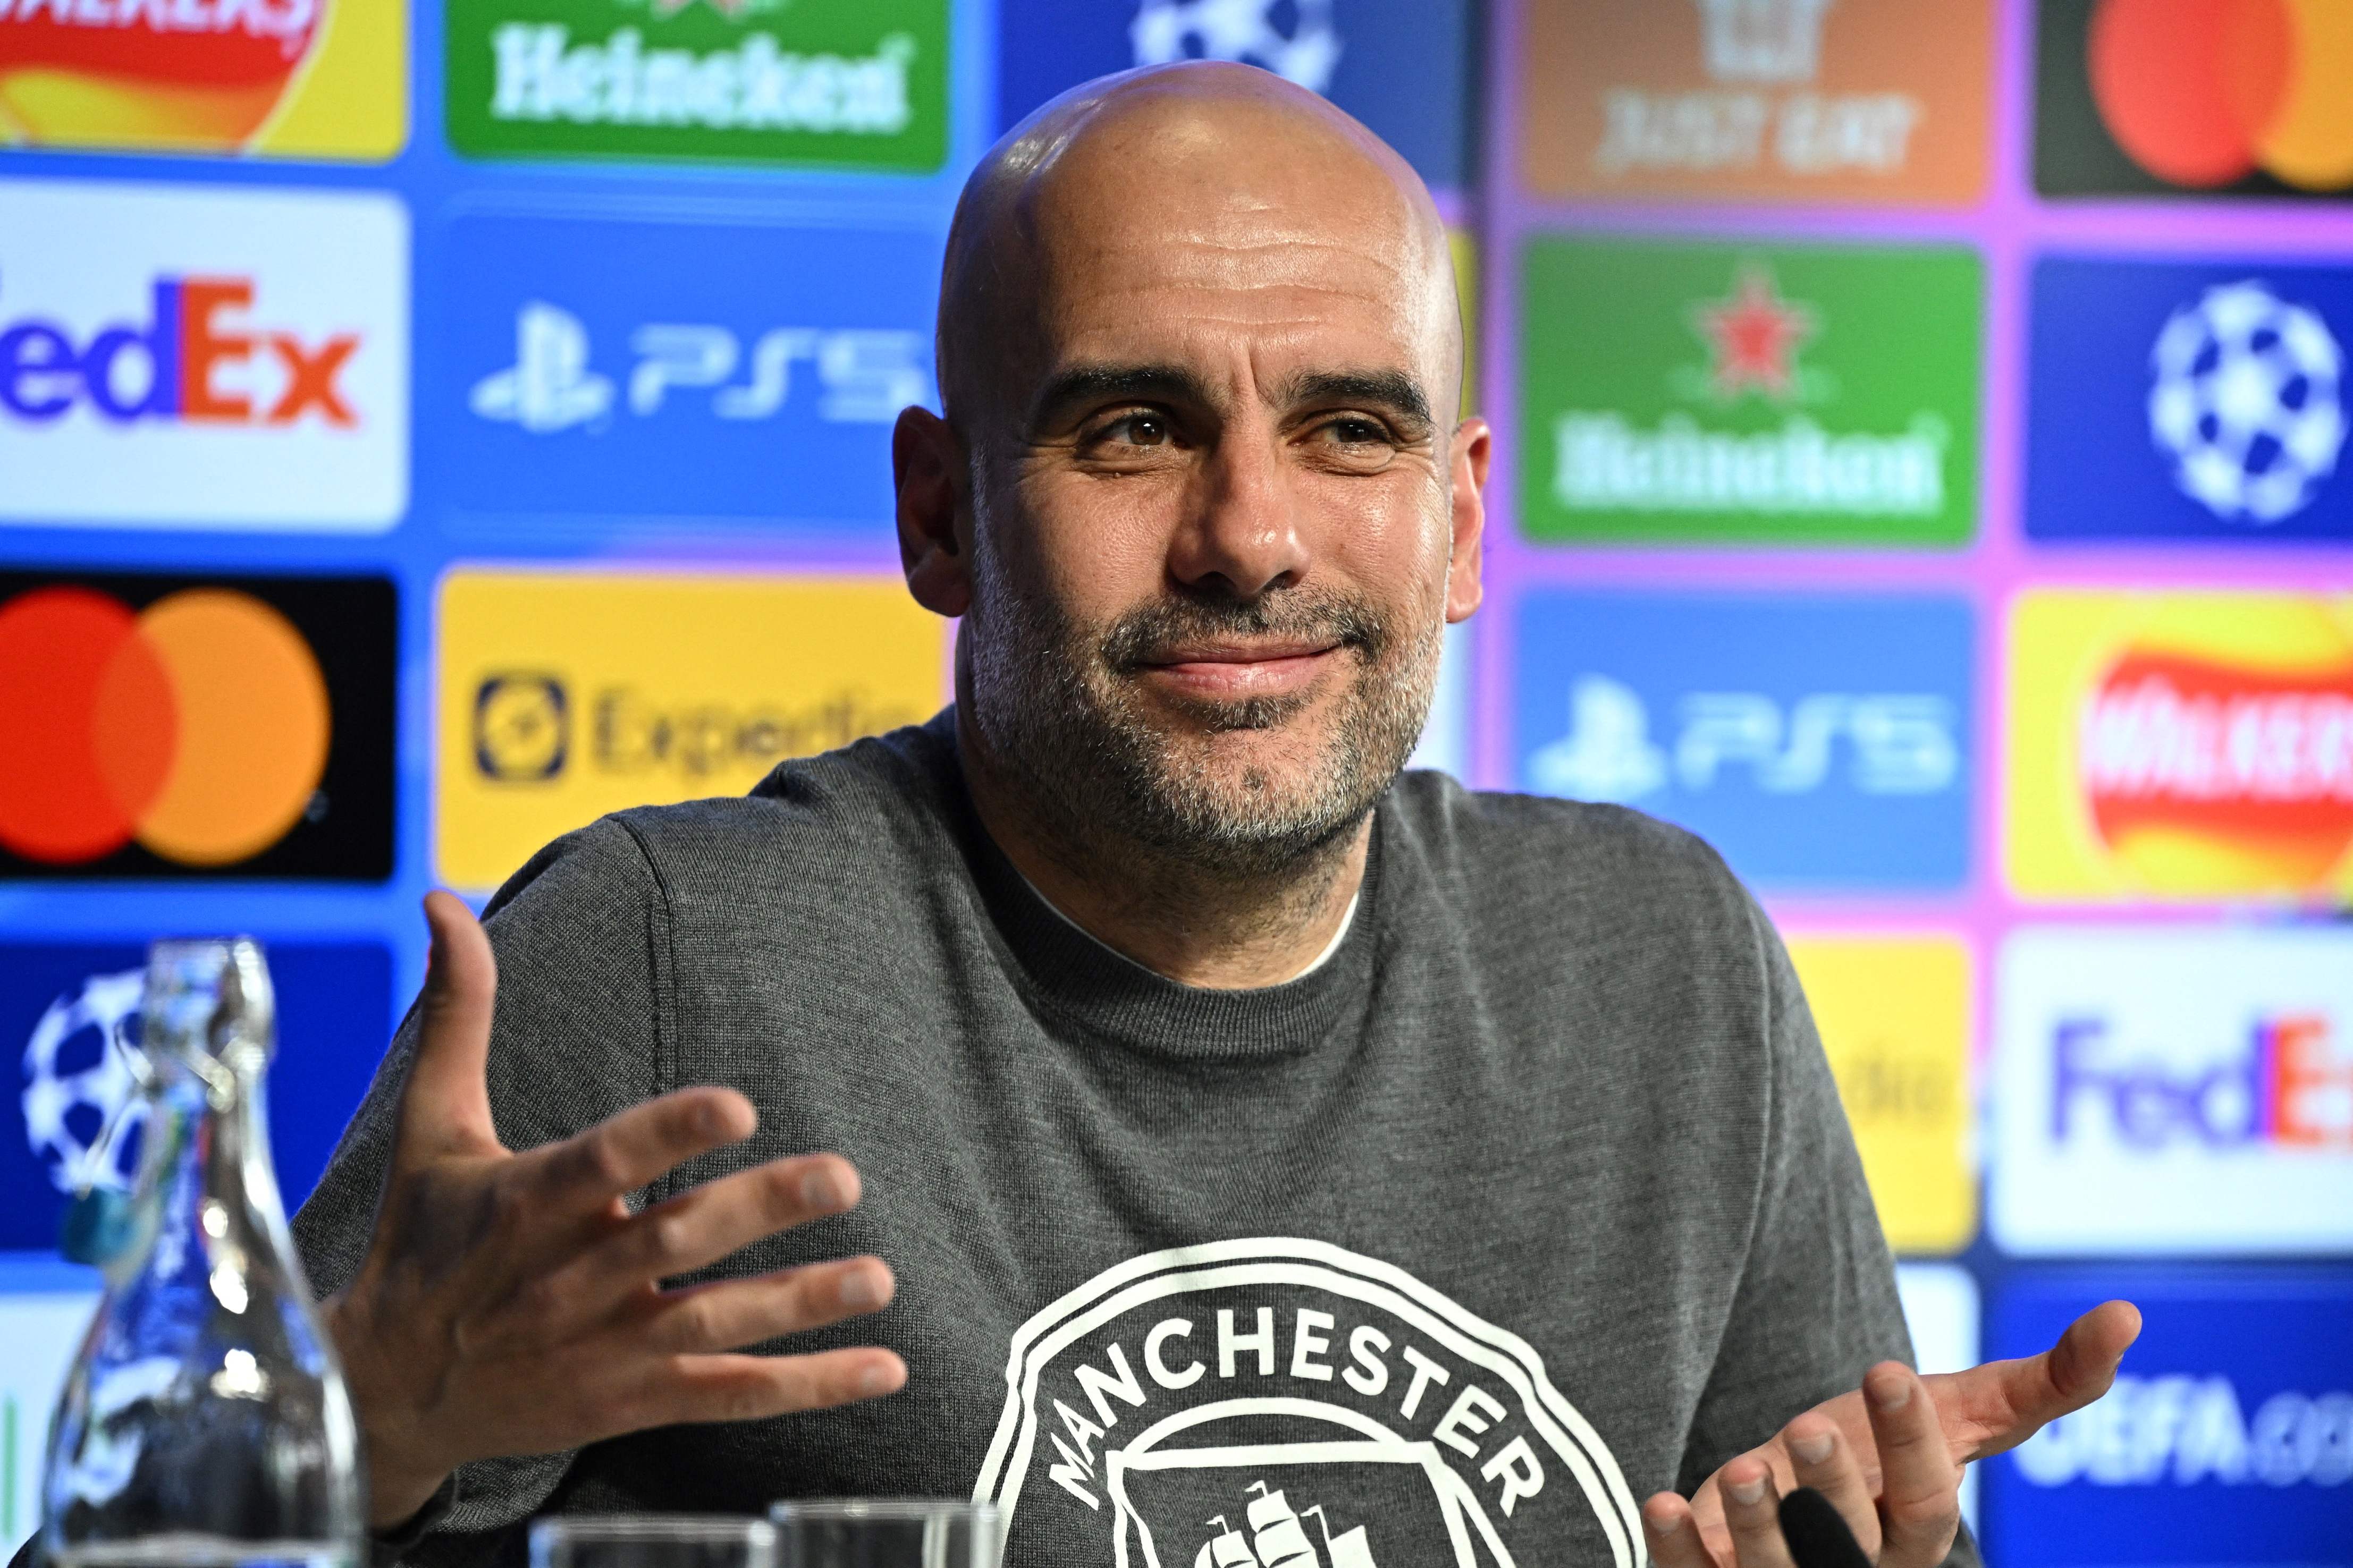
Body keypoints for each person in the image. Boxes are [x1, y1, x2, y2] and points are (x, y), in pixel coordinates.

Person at [288, 63, 2136, 1568]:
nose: (1249, 537)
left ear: (1462, 521)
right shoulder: (678, 963)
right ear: (937, 515)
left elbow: (1836, 1530)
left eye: (1350, 432)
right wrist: (362, 1431)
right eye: (1132, 430)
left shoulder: (1660, 964)